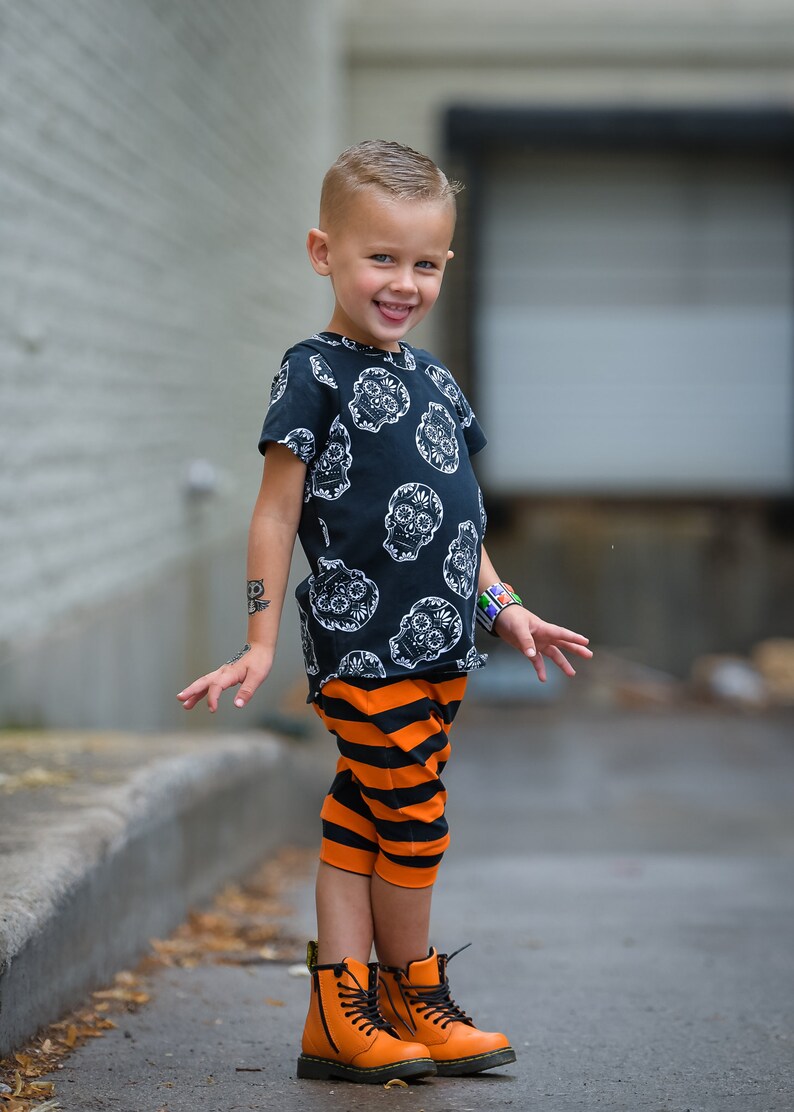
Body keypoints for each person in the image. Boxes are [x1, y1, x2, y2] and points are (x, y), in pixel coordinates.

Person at [177, 139, 592, 1085]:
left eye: (427, 264)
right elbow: (275, 511)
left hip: (443, 651)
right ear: (323, 253)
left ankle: (338, 1014)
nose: (405, 283)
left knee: (364, 814)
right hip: (364, 652)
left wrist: (505, 607)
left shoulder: (437, 380)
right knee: (416, 823)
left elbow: (459, 520)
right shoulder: (312, 372)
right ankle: (410, 993)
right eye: (382, 258)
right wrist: (258, 639)